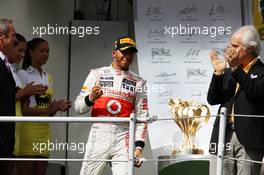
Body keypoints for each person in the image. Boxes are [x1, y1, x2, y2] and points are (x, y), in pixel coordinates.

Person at [74, 37, 148, 175]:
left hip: (124, 135)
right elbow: (78, 108)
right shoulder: (97, 74)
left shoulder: (139, 82)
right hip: (100, 130)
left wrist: (139, 147)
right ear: (114, 53)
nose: (127, 56)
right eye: (124, 52)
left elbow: (142, 116)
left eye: (131, 52)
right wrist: (91, 98)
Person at [208, 25, 264, 175]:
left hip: (248, 139)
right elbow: (212, 99)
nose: (229, 49)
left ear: (250, 48)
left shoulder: (261, 71)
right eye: (229, 45)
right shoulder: (230, 70)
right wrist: (218, 74)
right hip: (222, 135)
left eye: (235, 46)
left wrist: (235, 69)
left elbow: (255, 92)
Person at [15, 38, 71, 175]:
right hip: (27, 131)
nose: (46, 54)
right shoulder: (22, 75)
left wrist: (57, 107)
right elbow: (21, 110)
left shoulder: (48, 76)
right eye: (41, 51)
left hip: (45, 131)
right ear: (31, 52)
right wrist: (49, 109)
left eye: (48, 51)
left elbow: (48, 111)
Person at [0, 18, 17, 175]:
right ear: (1, 38)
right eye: (13, 35)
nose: (15, 40)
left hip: (6, 143)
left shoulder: (5, 63)